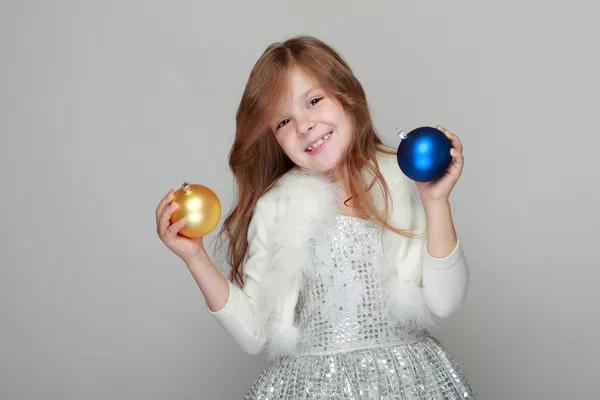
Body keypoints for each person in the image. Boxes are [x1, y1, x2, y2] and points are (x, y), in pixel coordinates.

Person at [155, 35, 476, 399]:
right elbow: (254, 335)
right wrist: (194, 256)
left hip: (410, 384)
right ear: (274, 139)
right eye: (283, 121)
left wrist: (436, 203)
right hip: (315, 388)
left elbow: (445, 302)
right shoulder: (277, 207)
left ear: (347, 98)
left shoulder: (404, 180)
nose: (304, 125)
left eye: (314, 101)